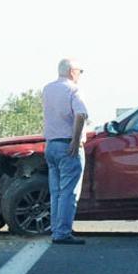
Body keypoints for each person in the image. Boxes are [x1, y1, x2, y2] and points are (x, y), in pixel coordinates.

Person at [43, 58, 89, 245]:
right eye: (80, 71)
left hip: (51, 144)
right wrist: (75, 140)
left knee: (56, 192)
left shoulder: (47, 89)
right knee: (69, 192)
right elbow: (81, 114)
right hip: (67, 145)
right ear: (72, 71)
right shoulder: (73, 89)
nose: (80, 75)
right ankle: (63, 232)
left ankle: (57, 228)